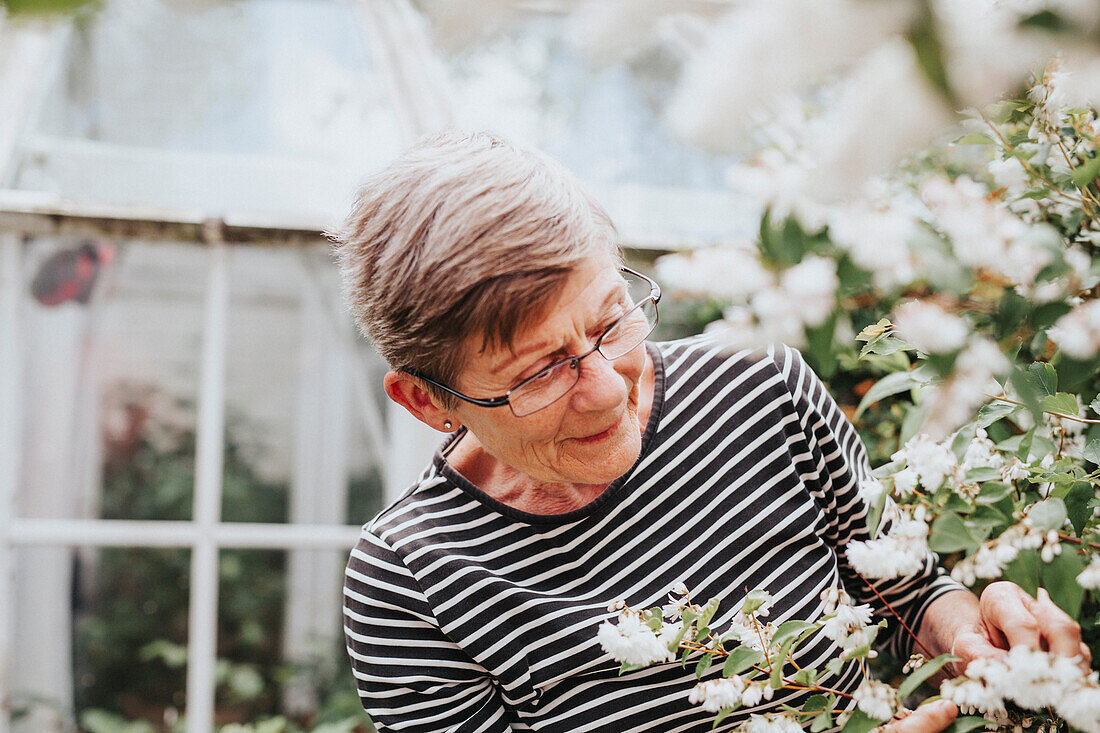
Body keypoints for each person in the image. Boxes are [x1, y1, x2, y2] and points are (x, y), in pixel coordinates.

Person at [330, 131, 1088, 733]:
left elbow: (904, 591)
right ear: (429, 402)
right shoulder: (410, 581)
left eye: (609, 322)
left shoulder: (764, 385)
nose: (604, 388)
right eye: (539, 373)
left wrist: (975, 635)